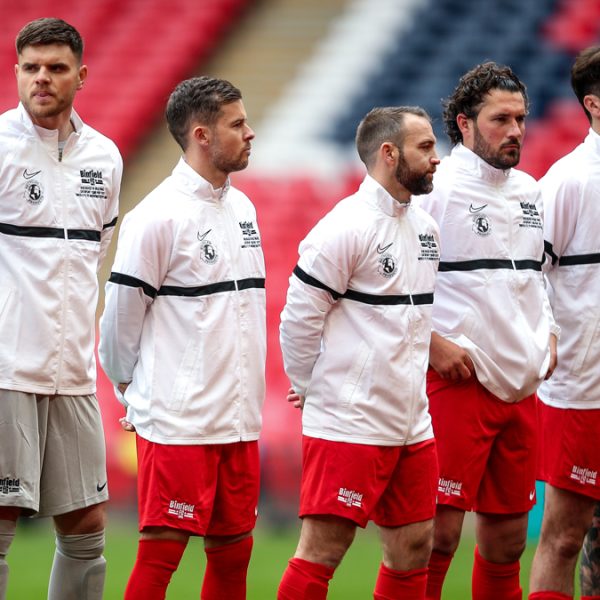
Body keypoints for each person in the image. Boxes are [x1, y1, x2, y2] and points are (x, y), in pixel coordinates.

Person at [98, 76, 265, 600]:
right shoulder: (155, 217)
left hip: (239, 421)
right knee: (162, 551)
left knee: (235, 552)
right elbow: (117, 326)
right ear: (201, 135)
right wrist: (138, 390)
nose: (250, 133)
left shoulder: (244, 210)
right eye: (237, 124)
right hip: (179, 420)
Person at [277, 106, 441, 600]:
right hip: (351, 420)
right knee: (324, 548)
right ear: (389, 154)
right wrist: (309, 387)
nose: (437, 159)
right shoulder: (344, 227)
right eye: (426, 148)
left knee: (415, 547)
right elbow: (298, 319)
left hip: (413, 421)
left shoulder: (426, 229)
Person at [417, 62, 558, 600]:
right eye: (502, 119)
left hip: (521, 386)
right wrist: (433, 345)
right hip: (459, 384)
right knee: (437, 536)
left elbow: (534, 279)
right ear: (465, 124)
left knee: (506, 543)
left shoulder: (529, 191)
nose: (516, 131)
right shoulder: (437, 189)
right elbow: (400, 282)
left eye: (521, 118)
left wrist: (547, 335)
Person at [0, 17, 122, 600]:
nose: (41, 79)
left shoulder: (106, 157)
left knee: (86, 530)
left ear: (81, 74)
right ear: (17, 72)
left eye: (55, 67)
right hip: (5, 369)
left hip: (72, 373)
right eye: (30, 68)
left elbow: (94, 258)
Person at [528, 46, 600, 600]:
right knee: (563, 536)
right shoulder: (568, 181)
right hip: (584, 390)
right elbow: (530, 279)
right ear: (594, 105)